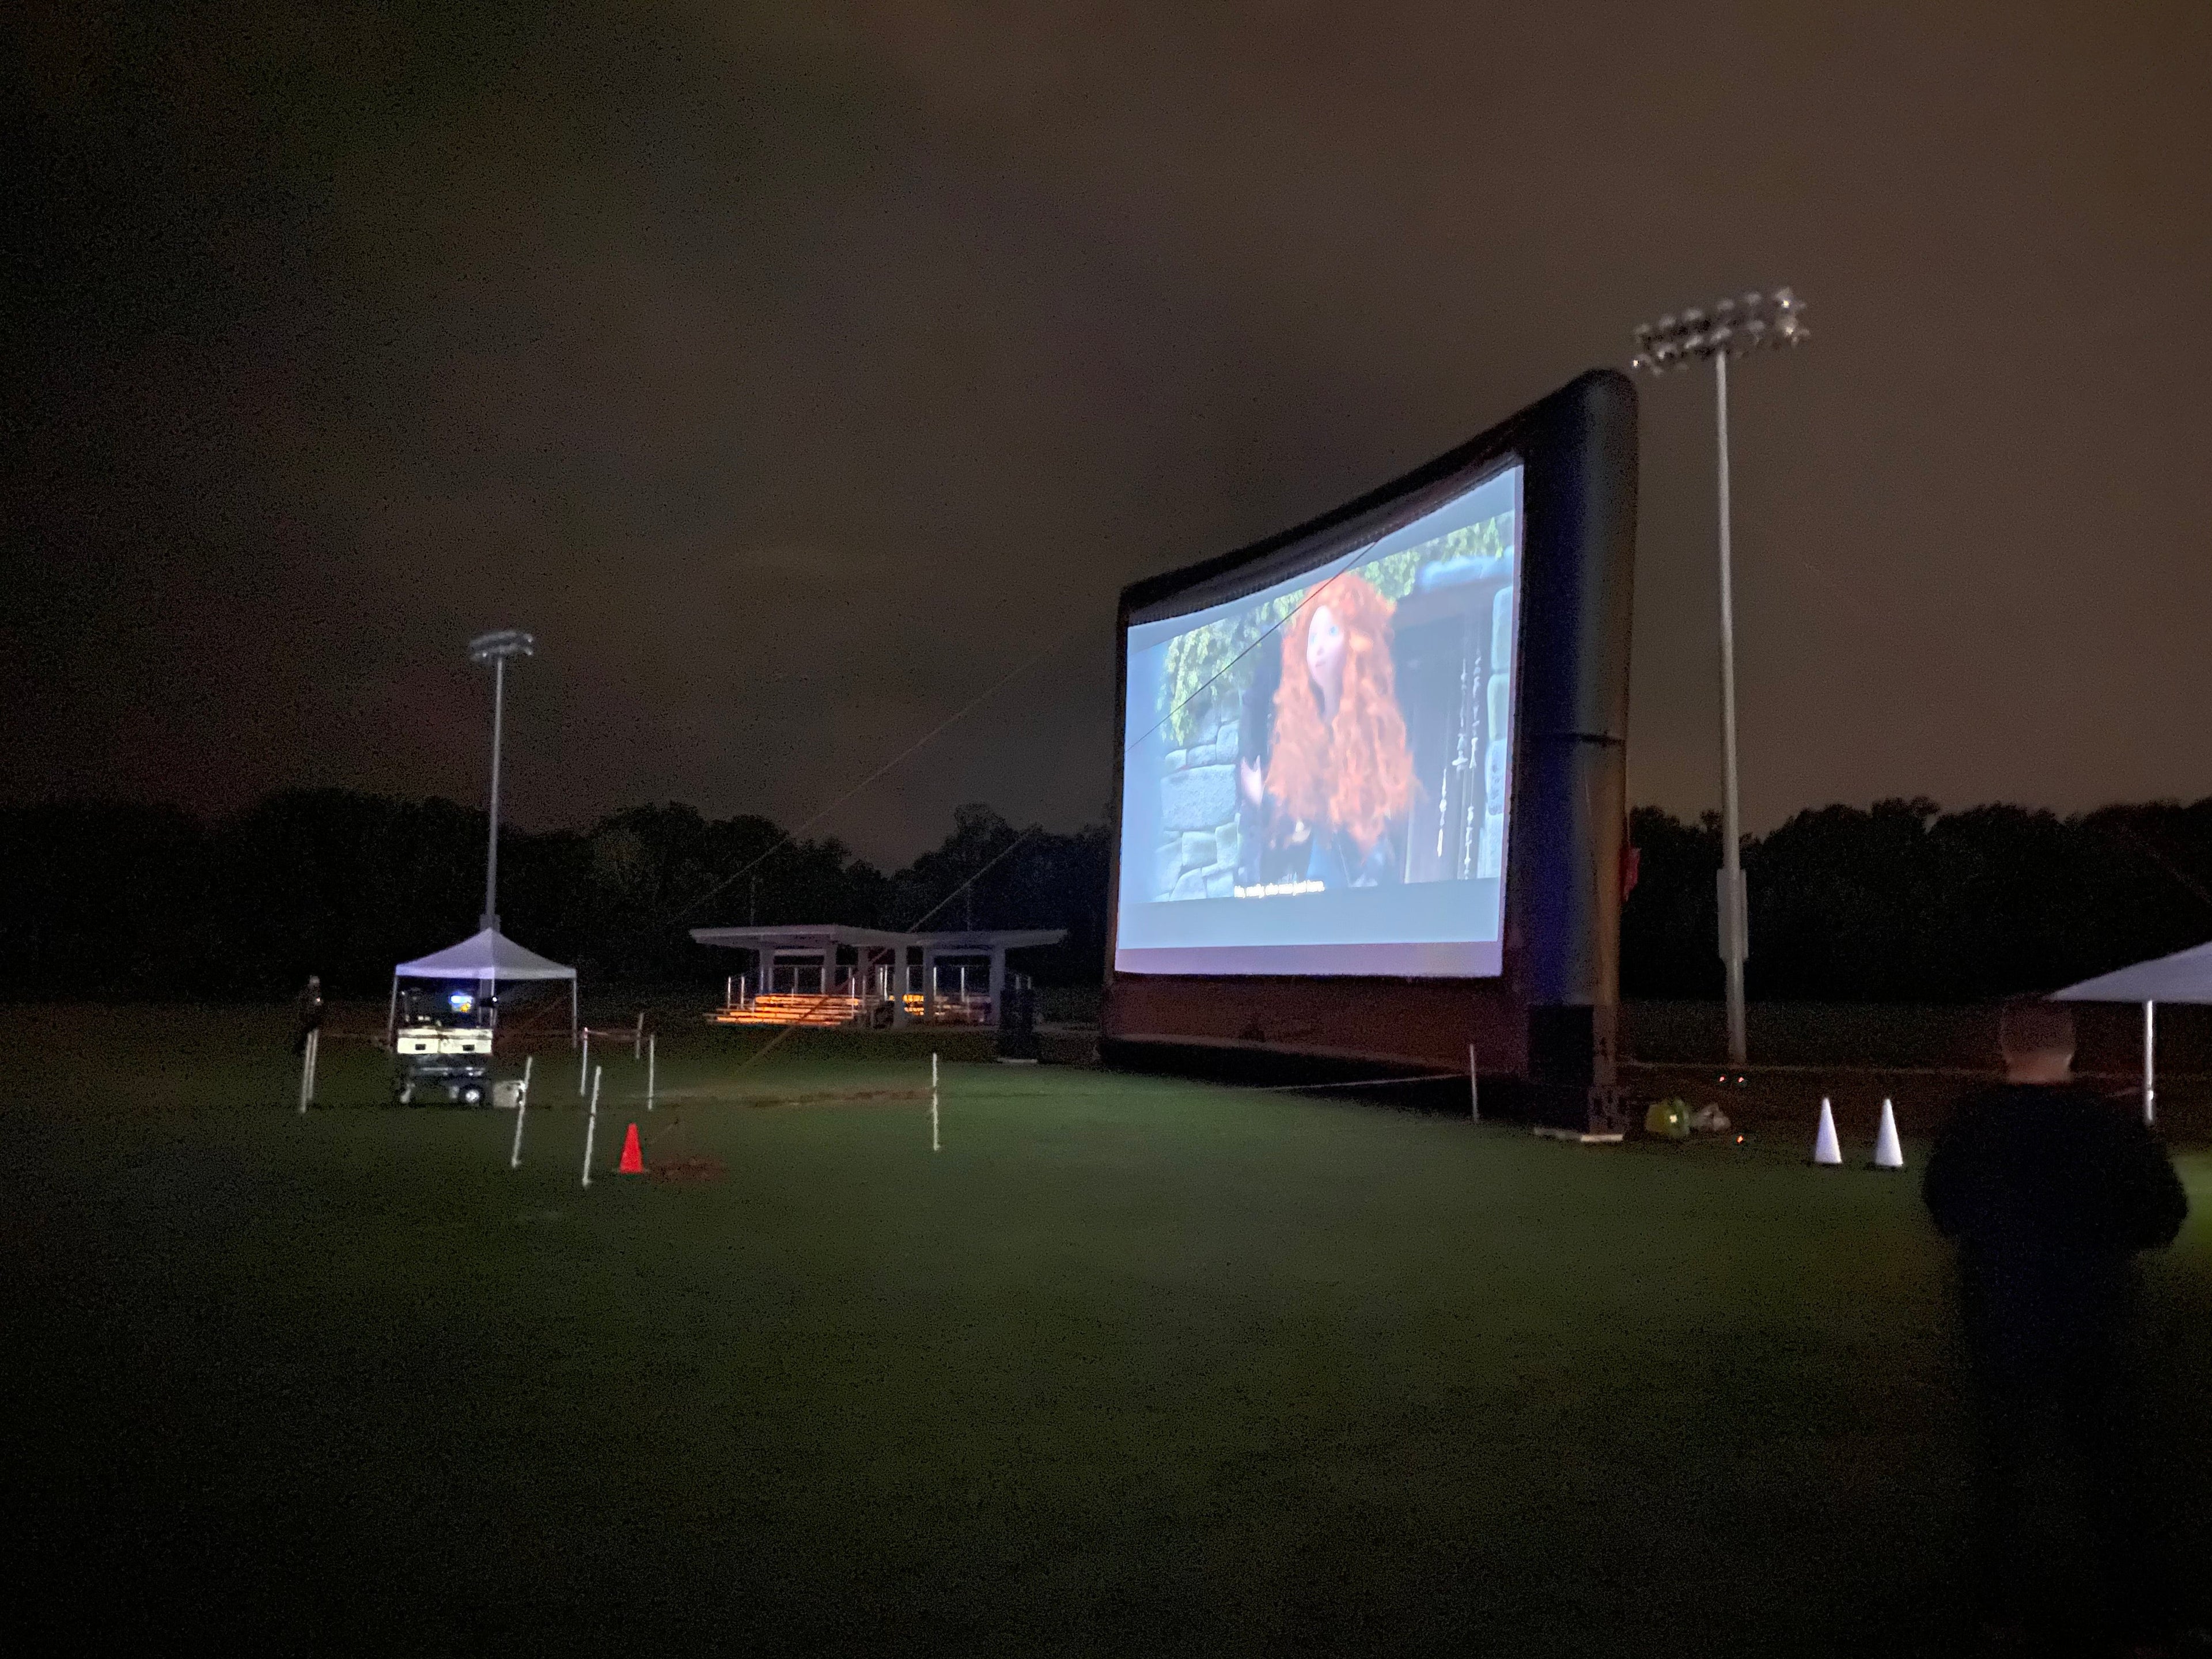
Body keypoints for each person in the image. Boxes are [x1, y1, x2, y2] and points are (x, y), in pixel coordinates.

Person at [1922, 998, 2189, 1653]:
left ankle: (1999, 1614)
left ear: (2006, 1049)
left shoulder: (1975, 1125)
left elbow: (1944, 1209)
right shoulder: (2110, 1125)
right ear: (2070, 1050)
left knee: (2003, 1470)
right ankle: (2139, 1621)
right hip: (2092, 1313)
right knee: (2112, 1470)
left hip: (2001, 1314)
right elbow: (2164, 1215)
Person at [1237, 572, 1415, 889]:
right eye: (1312, 638)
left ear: (1357, 640)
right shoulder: (1303, 730)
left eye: (1332, 631)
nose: (1318, 649)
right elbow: (1297, 821)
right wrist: (1263, 798)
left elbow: (1369, 826)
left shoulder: (1370, 728)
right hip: (1310, 896)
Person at [291, 974, 324, 1058]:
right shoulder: (312, 992)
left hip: (309, 1015)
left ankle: (300, 1048)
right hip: (309, 1015)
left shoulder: (309, 992)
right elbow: (317, 1003)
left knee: (306, 1032)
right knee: (305, 1033)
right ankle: (299, 1049)